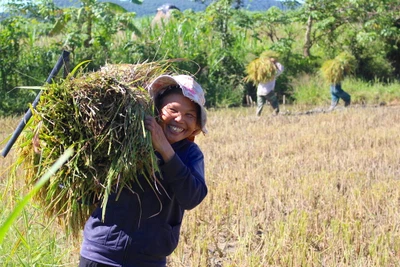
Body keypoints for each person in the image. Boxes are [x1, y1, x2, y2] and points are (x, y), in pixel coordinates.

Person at [79, 74, 208, 267]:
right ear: (156, 110)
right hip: (100, 253)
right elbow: (83, 172)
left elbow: (191, 198)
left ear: (196, 125)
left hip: (149, 259)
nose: (180, 119)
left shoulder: (191, 154)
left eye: (190, 115)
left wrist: (165, 150)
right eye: (172, 109)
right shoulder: (126, 139)